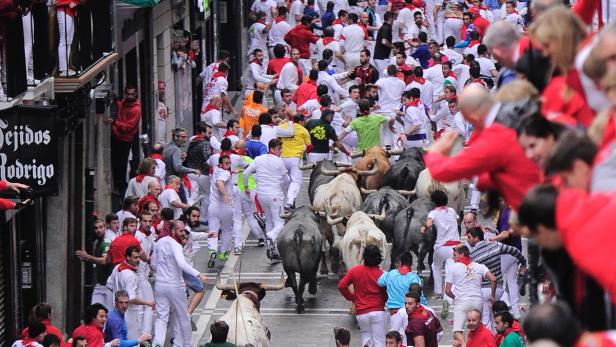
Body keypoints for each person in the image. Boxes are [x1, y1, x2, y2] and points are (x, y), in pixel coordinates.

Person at [424, 84, 542, 211]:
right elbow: (494, 177)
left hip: (539, 208)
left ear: (473, 116)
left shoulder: (494, 135)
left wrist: (436, 150)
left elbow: (441, 171)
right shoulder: (515, 114)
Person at [151, 220, 207, 347]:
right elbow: (182, 264)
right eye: (181, 231)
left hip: (160, 285)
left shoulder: (159, 242)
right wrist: (198, 274)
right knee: (184, 316)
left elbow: (153, 263)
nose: (183, 233)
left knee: (161, 317)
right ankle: (188, 344)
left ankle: (157, 344)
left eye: (184, 230)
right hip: (174, 285)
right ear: (173, 231)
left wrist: (164, 270)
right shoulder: (175, 245)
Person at [465, 226, 527, 330]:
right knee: (494, 318)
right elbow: (514, 250)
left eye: (469, 237)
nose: (467, 239)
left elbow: (471, 276)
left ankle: (488, 343)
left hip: (484, 290)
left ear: (476, 238)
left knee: (485, 320)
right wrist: (523, 263)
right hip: (498, 289)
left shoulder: (473, 255)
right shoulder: (495, 245)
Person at [243, 139, 289, 260]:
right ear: (272, 149)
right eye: (279, 148)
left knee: (269, 221)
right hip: (274, 195)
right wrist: (285, 190)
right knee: (280, 223)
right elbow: (287, 180)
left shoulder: (258, 159)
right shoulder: (279, 161)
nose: (281, 151)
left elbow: (245, 173)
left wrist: (246, 187)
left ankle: (271, 248)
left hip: (261, 195)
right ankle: (271, 236)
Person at [445, 245, 497, 346]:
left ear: (462, 254)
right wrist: (492, 296)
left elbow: (447, 291)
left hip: (462, 301)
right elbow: (493, 279)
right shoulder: (479, 266)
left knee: (457, 332)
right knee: (476, 328)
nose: (453, 257)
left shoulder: (453, 268)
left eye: (455, 255)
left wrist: (454, 298)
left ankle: (465, 345)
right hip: (477, 301)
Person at [337, 245, 387, 347]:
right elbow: (387, 292)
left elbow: (341, 285)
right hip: (378, 311)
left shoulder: (355, 271)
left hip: (362, 312)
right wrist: (384, 299)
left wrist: (352, 298)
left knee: (366, 338)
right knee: (379, 341)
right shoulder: (382, 274)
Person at [106, 246, 155, 339]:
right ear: (128, 257)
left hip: (117, 311)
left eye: (139, 257)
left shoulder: (117, 268)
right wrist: (147, 302)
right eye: (135, 258)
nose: (138, 260)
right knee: (132, 340)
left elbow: (109, 284)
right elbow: (131, 298)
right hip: (131, 313)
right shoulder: (130, 276)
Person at [424, 190, 460, 303]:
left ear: (434, 202)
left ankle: (438, 292)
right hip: (455, 247)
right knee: (451, 270)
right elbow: (458, 219)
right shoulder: (452, 211)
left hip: (441, 247)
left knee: (436, 266)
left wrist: (424, 228)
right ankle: (449, 296)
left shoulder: (433, 213)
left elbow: (429, 224)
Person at [105, 85, 142, 193]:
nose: (129, 96)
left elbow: (129, 127)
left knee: (121, 164)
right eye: (128, 94)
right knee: (115, 162)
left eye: (132, 94)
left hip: (125, 139)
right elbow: (119, 104)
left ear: (135, 94)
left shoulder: (136, 109)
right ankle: (118, 185)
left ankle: (120, 187)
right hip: (116, 136)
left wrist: (114, 122)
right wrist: (115, 99)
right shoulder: (124, 103)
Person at [377, 252, 424, 335]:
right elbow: (420, 296)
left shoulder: (391, 274)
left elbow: (380, 282)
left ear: (399, 263)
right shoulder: (415, 278)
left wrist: (386, 274)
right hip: (410, 314)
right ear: (411, 264)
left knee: (394, 340)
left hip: (394, 314)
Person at [75, 219, 114, 309]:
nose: (98, 230)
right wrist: (86, 258)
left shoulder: (106, 242)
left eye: (101, 227)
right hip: (100, 284)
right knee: (95, 312)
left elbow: (104, 260)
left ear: (105, 227)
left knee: (106, 313)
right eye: (96, 228)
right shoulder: (98, 242)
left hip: (107, 285)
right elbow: (97, 261)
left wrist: (88, 257)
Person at [206, 155, 236, 264]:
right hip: (225, 207)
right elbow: (220, 182)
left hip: (213, 207)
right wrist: (226, 194)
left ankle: (212, 250)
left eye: (229, 163)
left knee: (213, 230)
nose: (228, 165)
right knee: (227, 230)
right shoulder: (226, 173)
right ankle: (222, 253)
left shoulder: (216, 170)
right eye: (226, 163)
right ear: (221, 164)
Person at [279, 114, 311, 211]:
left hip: (283, 157)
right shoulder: (304, 130)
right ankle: (290, 201)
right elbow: (309, 147)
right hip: (295, 158)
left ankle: (289, 201)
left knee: (287, 181)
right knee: (296, 181)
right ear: (301, 121)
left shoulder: (284, 126)